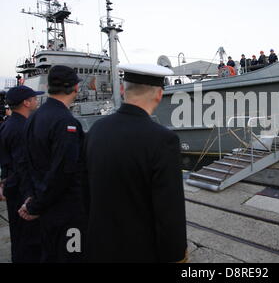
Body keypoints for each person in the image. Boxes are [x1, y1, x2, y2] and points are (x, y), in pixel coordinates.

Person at [84, 64, 187, 263]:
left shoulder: (96, 130)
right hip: (141, 251)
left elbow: (85, 190)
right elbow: (169, 210)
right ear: (159, 95)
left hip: (98, 246)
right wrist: (176, 255)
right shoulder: (163, 140)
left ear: (122, 90)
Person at [19, 65, 87, 263]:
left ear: (49, 87)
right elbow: (63, 172)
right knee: (71, 258)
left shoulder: (33, 118)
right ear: (75, 87)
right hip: (66, 212)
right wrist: (36, 205)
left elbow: (25, 162)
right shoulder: (66, 121)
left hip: (43, 208)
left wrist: (31, 199)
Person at [0, 86, 44, 263]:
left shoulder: (7, 125)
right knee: (29, 240)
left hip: (12, 188)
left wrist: (3, 183)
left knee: (18, 237)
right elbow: (22, 166)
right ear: (26, 103)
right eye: (34, 98)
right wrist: (30, 198)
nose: (36, 101)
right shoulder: (22, 128)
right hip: (22, 192)